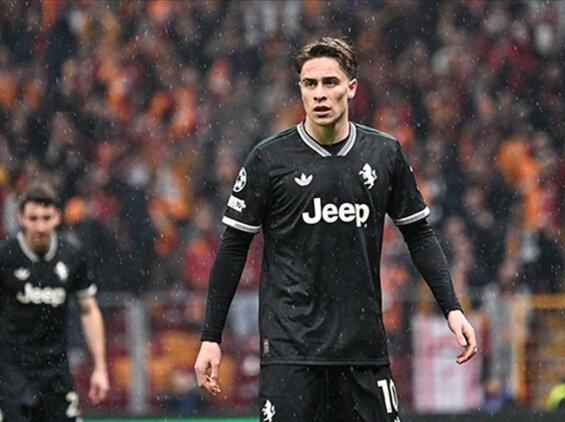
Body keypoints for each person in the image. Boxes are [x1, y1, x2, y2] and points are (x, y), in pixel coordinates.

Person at [194, 36, 477, 421]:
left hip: (363, 351)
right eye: (310, 84)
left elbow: (419, 235)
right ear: (300, 89)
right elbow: (232, 247)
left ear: (352, 87)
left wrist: (452, 308)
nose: (320, 94)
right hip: (291, 354)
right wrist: (211, 336)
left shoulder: (384, 154)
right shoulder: (269, 159)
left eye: (330, 82)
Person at [0, 182, 109, 421]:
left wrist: (100, 367)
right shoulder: (1, 257)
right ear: (21, 218)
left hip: (55, 373)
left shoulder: (72, 255)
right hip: (11, 375)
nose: (40, 226)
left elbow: (89, 310)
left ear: (57, 217)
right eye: (33, 218)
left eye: (46, 218)